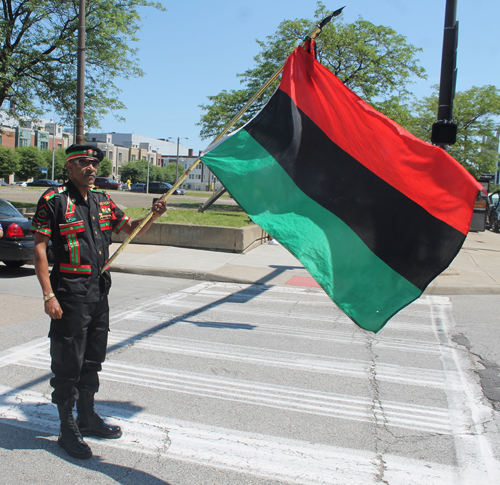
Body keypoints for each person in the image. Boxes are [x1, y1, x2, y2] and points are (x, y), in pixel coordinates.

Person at [31, 144, 167, 460]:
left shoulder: (103, 202)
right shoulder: (53, 201)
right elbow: (38, 249)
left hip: (98, 291)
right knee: (68, 361)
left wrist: (154, 215)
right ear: (69, 167)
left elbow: (131, 230)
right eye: (83, 162)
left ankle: (87, 416)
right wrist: (48, 294)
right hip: (69, 292)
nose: (90, 168)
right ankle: (67, 428)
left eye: (93, 163)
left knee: (93, 357)